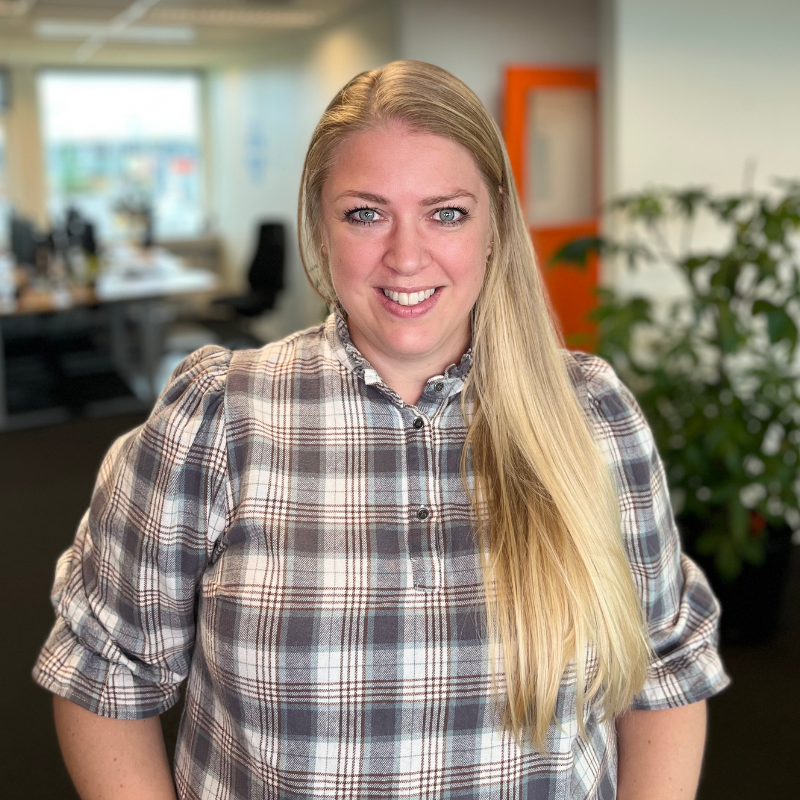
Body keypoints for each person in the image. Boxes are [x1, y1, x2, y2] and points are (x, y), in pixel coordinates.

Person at [34, 60, 729, 800]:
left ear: (494, 223)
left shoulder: (592, 415)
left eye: (446, 213)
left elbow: (664, 668)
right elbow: (103, 671)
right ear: (319, 225)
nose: (406, 256)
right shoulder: (219, 418)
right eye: (365, 214)